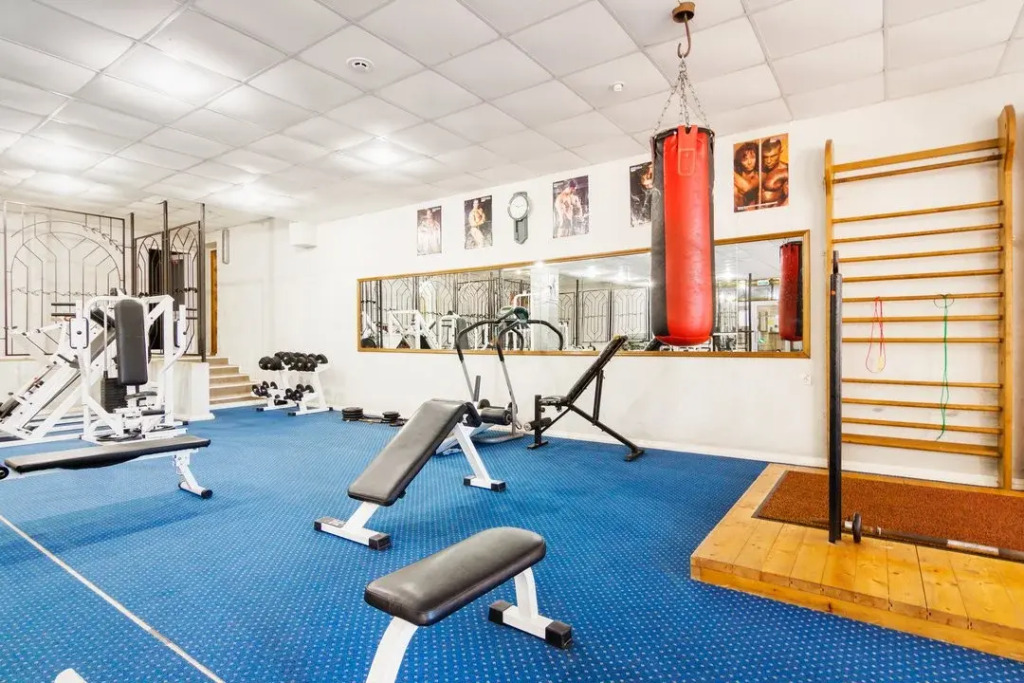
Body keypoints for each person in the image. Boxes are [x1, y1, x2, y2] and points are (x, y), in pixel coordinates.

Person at [760, 137, 789, 207]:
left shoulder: (786, 171)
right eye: (765, 157)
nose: (768, 161)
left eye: (773, 156)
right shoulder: (759, 168)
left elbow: (790, 198)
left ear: (780, 151)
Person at [733, 142, 760, 210]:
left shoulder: (759, 174)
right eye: (745, 159)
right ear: (740, 161)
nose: (749, 162)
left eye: (752, 157)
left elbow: (746, 188)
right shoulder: (737, 172)